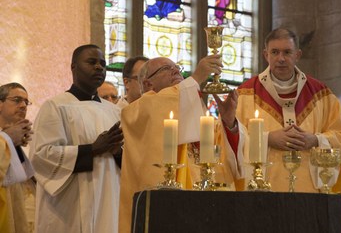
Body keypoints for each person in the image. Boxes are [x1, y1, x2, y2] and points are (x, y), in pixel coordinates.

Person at [118, 55, 246, 233]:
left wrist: (228, 121)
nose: (176, 71)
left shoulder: (198, 116)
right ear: (148, 84)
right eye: (166, 69)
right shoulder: (139, 110)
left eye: (177, 67)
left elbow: (228, 156)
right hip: (169, 210)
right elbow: (160, 105)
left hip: (207, 207)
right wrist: (197, 78)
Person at [234, 27, 341, 192]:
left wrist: (316, 140)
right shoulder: (245, 93)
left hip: (311, 191)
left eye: (287, 52)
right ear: (265, 55)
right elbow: (230, 139)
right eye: (275, 52)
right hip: (263, 190)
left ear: (297, 55)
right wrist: (267, 139)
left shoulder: (321, 94)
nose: (281, 58)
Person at [30, 44, 124, 233]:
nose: (99, 67)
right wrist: (92, 149)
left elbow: (128, 160)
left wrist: (117, 153)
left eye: (103, 64)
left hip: (108, 200)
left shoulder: (114, 111)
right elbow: (41, 157)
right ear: (73, 67)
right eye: (91, 62)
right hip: (68, 209)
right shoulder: (55, 107)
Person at [0, 82, 35, 233]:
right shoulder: (6, 138)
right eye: (17, 100)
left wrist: (12, 143)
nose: (23, 106)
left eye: (26, 102)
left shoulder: (16, 139)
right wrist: (7, 138)